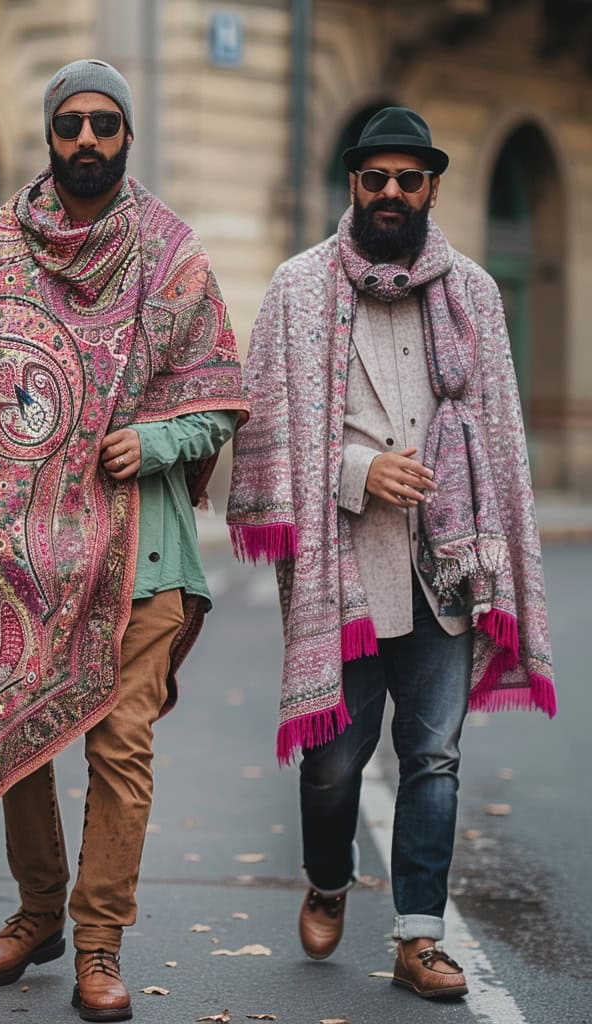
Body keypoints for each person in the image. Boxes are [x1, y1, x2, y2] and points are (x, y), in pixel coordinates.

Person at [0, 59, 247, 1023]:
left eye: (105, 123)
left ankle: (98, 942)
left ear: (127, 135)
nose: (87, 139)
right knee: (24, 742)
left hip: (143, 554)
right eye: (71, 124)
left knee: (121, 752)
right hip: (20, 556)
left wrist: (159, 437)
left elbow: (218, 396)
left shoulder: (172, 254)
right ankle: (38, 912)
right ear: (50, 135)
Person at [226, 107, 556, 999]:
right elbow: (273, 425)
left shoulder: (475, 294)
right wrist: (359, 471)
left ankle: (418, 938)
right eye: (377, 178)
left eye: (410, 180)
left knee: (434, 755)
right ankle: (329, 877)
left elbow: (498, 431)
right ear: (354, 185)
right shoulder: (300, 289)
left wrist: (472, 513)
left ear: (431, 190)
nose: (392, 194)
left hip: (449, 565)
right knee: (336, 762)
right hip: (346, 564)